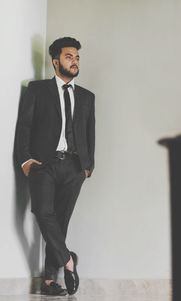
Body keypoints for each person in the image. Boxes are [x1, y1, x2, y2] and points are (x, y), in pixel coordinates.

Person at [16, 37, 95, 296]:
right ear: (55, 61)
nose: (75, 61)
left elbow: (89, 133)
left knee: (61, 222)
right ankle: (68, 261)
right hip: (43, 164)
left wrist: (87, 166)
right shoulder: (37, 90)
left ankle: (50, 281)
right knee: (42, 210)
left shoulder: (86, 97)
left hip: (74, 168)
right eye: (69, 56)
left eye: (77, 57)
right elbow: (24, 126)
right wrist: (26, 159)